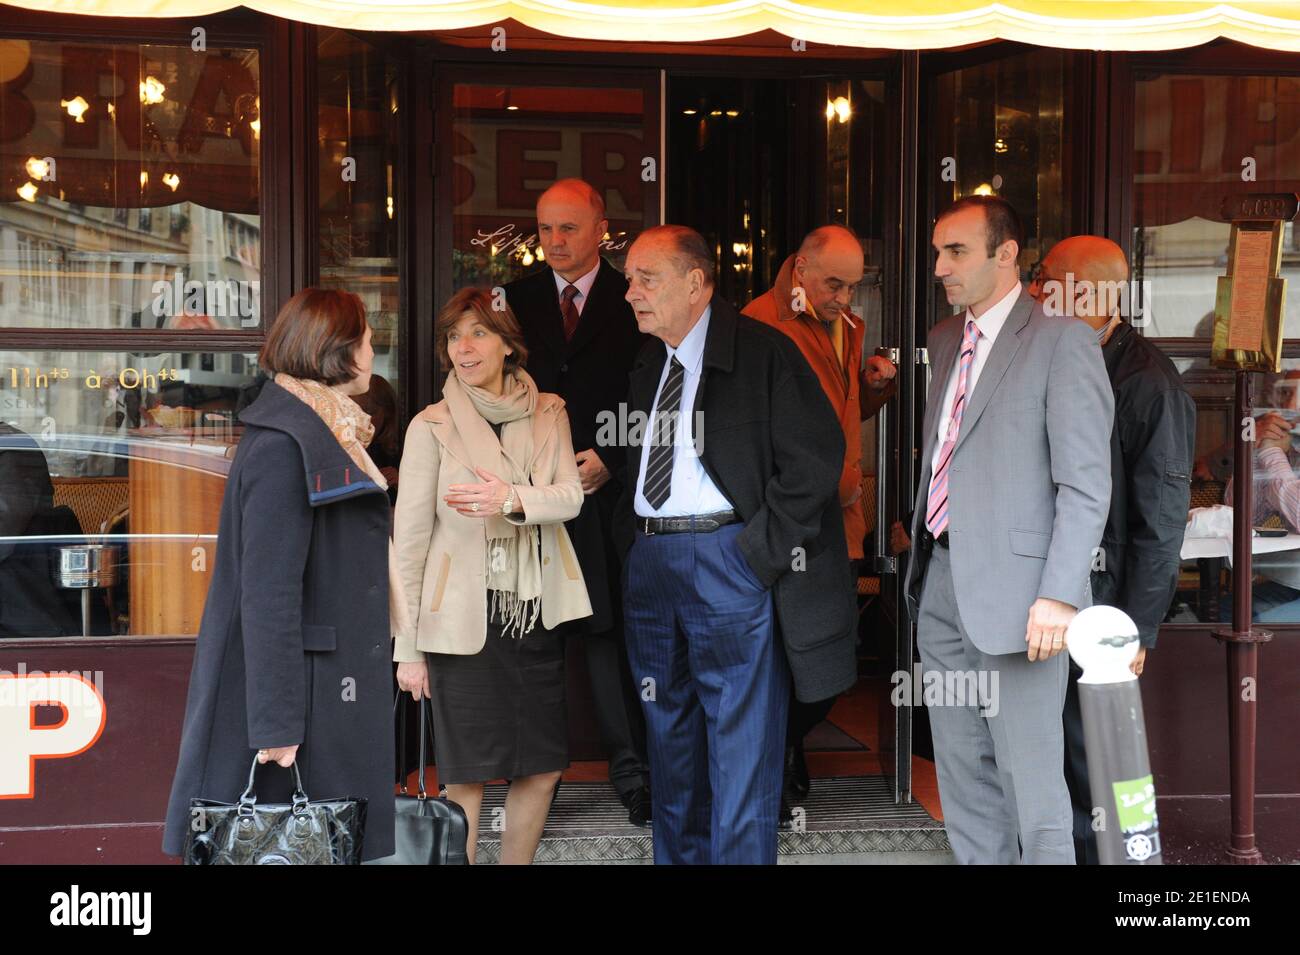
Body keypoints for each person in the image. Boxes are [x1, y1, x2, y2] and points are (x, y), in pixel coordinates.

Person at [614, 225, 856, 864]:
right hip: (652, 561)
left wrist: (757, 557)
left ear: (696, 283)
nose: (631, 293)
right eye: (629, 279)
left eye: (647, 279)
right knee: (668, 744)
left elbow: (815, 462)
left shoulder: (762, 351)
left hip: (728, 560)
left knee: (741, 746)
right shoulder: (647, 361)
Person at [903, 196, 1113, 864]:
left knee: (1032, 782)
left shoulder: (1062, 338)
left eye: (956, 251)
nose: (940, 265)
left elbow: (1085, 483)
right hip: (939, 584)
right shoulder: (943, 340)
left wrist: (1060, 594)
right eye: (937, 251)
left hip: (1025, 600)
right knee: (963, 779)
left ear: (1006, 254)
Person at [163, 288, 397, 862]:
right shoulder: (287, 440)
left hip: (318, 688)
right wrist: (274, 724)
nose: (374, 348)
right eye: (366, 336)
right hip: (301, 702)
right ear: (338, 349)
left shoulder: (322, 429)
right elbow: (266, 593)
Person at [392, 287, 592, 865]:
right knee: (469, 776)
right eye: (454, 336)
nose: (464, 347)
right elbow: (409, 544)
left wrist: (510, 497)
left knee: (543, 765)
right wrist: (408, 648)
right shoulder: (430, 426)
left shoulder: (549, 410)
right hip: (459, 621)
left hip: (532, 610)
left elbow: (569, 497)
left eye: (478, 333)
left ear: (508, 344)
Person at [1030, 235, 1196, 864]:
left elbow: (1161, 521)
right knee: (1059, 750)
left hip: (1104, 606)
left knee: (1091, 755)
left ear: (1085, 290)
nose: (1035, 289)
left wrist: (1137, 631)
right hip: (1057, 592)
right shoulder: (1064, 355)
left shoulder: (1147, 381)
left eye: (1046, 277)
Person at [504, 178, 653, 825]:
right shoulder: (516, 298)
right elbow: (493, 383)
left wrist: (615, 459)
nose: (555, 241)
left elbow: (662, 392)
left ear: (602, 230)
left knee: (606, 634)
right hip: (530, 494)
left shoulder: (636, 298)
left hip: (606, 496)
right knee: (530, 633)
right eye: (545, 229)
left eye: (568, 228)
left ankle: (632, 771)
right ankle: (534, 775)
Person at [742, 223, 898, 818]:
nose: (845, 298)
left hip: (841, 517)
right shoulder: (760, 321)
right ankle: (776, 760)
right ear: (800, 267)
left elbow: (841, 412)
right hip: (789, 517)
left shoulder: (846, 325)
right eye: (835, 283)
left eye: (853, 287)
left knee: (833, 654)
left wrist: (873, 388)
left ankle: (785, 747)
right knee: (787, 653)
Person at [356, 373, 401, 503]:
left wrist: (401, 482)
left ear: (388, 413)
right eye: (355, 411)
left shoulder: (404, 448)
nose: (362, 419)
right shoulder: (343, 444)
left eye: (369, 411)